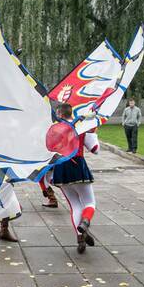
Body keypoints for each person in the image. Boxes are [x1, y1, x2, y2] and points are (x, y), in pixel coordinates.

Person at [49, 102, 100, 253]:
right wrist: (93, 131)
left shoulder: (53, 130)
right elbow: (95, 149)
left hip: (60, 168)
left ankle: (80, 238)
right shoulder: (81, 126)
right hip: (78, 165)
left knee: (75, 205)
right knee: (89, 202)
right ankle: (85, 222)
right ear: (71, 112)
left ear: (59, 114)